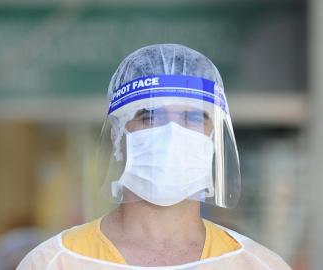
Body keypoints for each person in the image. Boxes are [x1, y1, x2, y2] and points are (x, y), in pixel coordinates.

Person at [17, 44, 291, 269]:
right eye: (149, 116)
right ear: (118, 137)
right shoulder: (55, 262)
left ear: (213, 136)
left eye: (193, 117)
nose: (172, 134)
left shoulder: (258, 265)